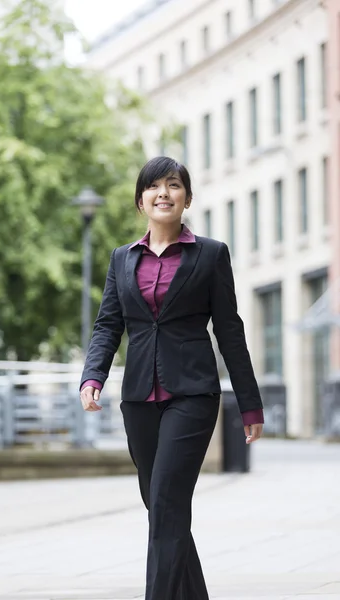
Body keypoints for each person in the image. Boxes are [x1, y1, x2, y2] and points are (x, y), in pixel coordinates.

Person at [79, 156, 264, 600]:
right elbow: (108, 324)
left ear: (187, 198)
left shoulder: (211, 254)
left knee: (165, 503)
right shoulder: (122, 259)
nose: (164, 192)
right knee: (164, 509)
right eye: (154, 186)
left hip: (193, 395)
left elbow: (229, 329)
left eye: (174, 185)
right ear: (140, 200)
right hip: (139, 397)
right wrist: (93, 376)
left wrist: (249, 403)